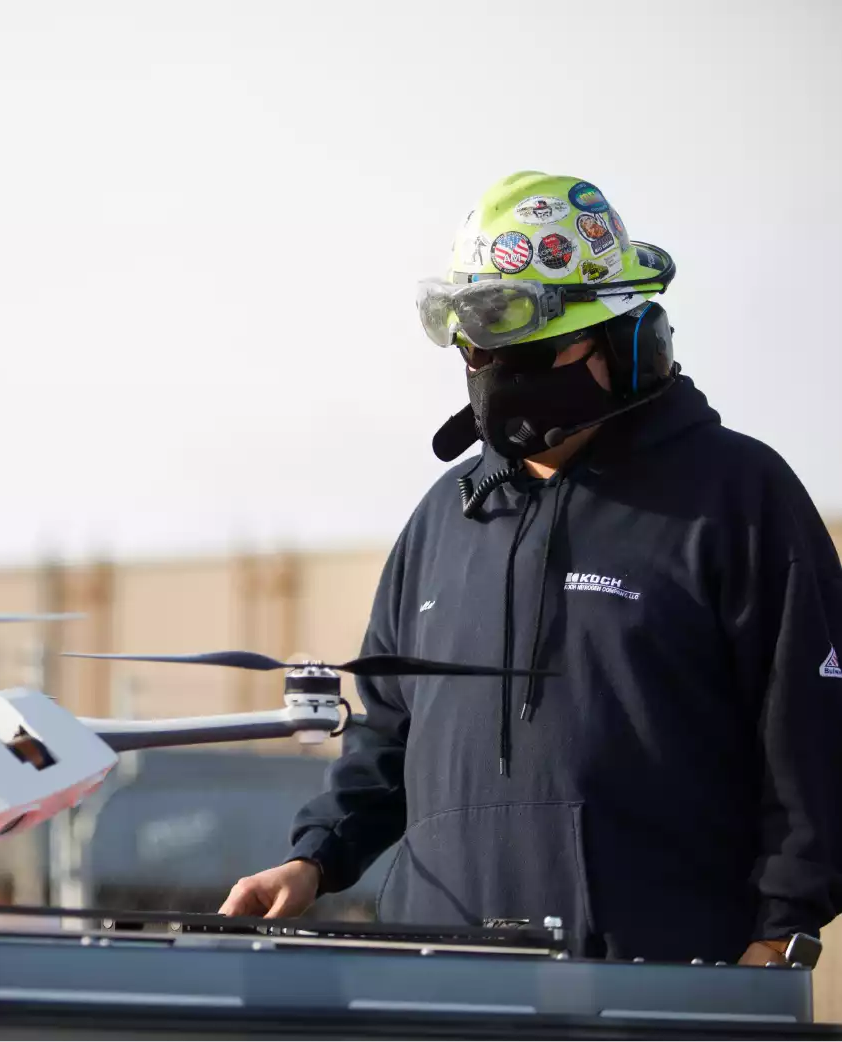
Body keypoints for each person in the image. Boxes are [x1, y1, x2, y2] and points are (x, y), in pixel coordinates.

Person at [219, 172, 842, 966]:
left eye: (522, 346)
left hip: (665, 976)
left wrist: (781, 928)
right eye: (476, 347)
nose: (491, 368)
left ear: (622, 339)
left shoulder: (736, 496)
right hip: (436, 972)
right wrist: (313, 859)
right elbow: (385, 734)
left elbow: (810, 732)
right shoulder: (444, 517)